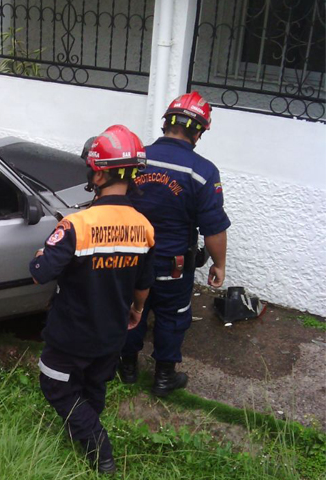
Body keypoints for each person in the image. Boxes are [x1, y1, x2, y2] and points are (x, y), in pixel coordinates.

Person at [30, 126, 155, 476]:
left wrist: (43, 252)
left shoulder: (75, 225)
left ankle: (98, 445)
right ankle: (84, 434)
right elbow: (143, 284)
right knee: (93, 385)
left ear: (98, 173)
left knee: (55, 385)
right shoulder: (143, 227)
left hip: (71, 332)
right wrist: (138, 310)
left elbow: (40, 271)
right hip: (113, 331)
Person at [119, 91, 231, 397]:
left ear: (167, 122)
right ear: (198, 132)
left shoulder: (136, 157)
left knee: (131, 308)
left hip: (130, 258)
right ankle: (164, 379)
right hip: (173, 268)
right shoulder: (203, 171)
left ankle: (126, 368)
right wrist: (219, 265)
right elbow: (214, 227)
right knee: (172, 316)